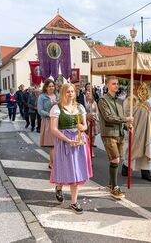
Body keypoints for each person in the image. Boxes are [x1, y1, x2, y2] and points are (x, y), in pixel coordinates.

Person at [49, 83, 92, 214]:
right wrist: (67, 140)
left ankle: (73, 202)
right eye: (68, 91)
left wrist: (83, 128)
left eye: (72, 91)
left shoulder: (80, 107)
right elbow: (53, 129)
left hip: (78, 142)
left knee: (76, 172)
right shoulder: (56, 108)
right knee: (64, 169)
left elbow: (85, 125)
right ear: (63, 93)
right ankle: (59, 186)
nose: (71, 93)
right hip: (64, 141)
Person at [98, 76, 133, 198]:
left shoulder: (119, 101)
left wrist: (126, 126)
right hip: (109, 133)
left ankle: (110, 184)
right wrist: (125, 119)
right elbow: (108, 117)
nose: (116, 86)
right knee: (115, 159)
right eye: (113, 84)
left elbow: (120, 119)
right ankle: (114, 188)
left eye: (117, 84)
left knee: (116, 160)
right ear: (107, 85)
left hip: (119, 134)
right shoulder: (102, 100)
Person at [122, 82, 151, 182]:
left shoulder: (147, 99)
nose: (141, 90)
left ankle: (145, 171)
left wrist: (147, 104)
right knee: (134, 147)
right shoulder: (129, 100)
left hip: (146, 128)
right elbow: (126, 113)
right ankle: (126, 166)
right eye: (138, 87)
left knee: (146, 147)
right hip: (136, 128)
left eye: (142, 88)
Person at [37, 79, 58, 169]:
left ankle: (57, 163)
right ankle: (52, 163)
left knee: (58, 144)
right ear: (45, 87)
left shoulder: (57, 95)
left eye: (52, 86)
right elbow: (40, 110)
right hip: (48, 121)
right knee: (52, 145)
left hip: (58, 121)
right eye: (49, 86)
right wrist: (49, 114)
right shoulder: (42, 97)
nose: (51, 88)